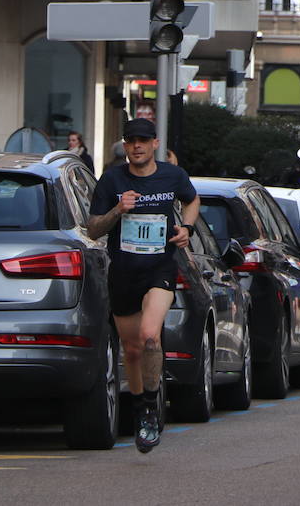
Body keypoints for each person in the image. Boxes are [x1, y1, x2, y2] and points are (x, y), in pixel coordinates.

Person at [86, 118, 199, 454]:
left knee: (150, 336)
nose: (137, 146)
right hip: (124, 271)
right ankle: (139, 408)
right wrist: (118, 210)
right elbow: (93, 229)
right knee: (132, 350)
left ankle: (151, 408)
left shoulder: (172, 176)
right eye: (131, 141)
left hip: (159, 268)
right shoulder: (111, 180)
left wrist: (187, 229)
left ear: (154, 144)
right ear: (125, 145)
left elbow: (191, 201)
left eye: (143, 141)